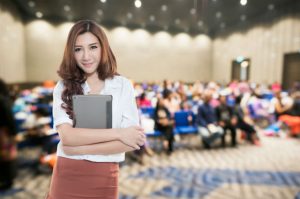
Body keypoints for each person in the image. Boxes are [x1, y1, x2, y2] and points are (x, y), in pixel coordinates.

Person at [46, 20, 146, 199]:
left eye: (93, 47)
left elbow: (131, 140)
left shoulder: (122, 85)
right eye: (78, 49)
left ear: (103, 48)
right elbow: (67, 137)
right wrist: (118, 133)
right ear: (71, 53)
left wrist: (76, 148)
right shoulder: (63, 87)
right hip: (67, 173)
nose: (86, 56)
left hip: (105, 176)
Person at [0, 79, 18, 191]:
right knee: (5, 155)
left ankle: (8, 180)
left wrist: (13, 133)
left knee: (6, 155)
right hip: (4, 131)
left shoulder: (2, 100)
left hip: (4, 132)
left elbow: (9, 118)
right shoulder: (4, 99)